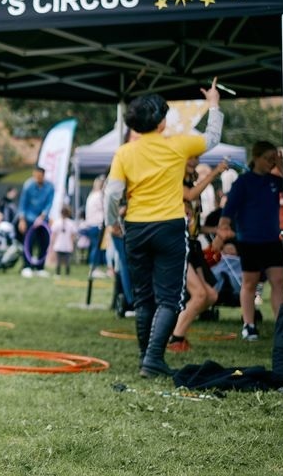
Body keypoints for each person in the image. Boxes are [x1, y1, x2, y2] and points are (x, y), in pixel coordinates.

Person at [104, 79, 223, 378]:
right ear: (159, 122)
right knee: (170, 297)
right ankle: (154, 360)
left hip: (136, 228)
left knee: (143, 296)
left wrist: (112, 224)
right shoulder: (179, 144)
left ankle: (147, 357)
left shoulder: (124, 153)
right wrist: (214, 103)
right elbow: (213, 137)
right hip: (169, 227)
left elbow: (111, 193)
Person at [214, 141, 283, 342]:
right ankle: (249, 324)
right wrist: (223, 231)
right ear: (256, 158)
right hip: (250, 241)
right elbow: (228, 212)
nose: (271, 162)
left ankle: (282, 325)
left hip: (272, 240)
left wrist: (281, 165)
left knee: (279, 282)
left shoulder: (275, 180)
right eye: (268, 159)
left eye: (274, 159)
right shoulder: (243, 182)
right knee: (250, 283)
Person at [167, 157, 228, 352]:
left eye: (196, 158)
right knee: (200, 295)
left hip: (192, 246)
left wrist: (216, 230)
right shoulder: (176, 182)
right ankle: (175, 338)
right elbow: (191, 195)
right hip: (178, 245)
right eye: (190, 157)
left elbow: (195, 226)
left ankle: (175, 332)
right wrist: (215, 172)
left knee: (211, 295)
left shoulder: (190, 183)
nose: (194, 161)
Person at [17, 166, 54, 276]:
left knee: (44, 243)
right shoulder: (28, 186)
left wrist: (42, 217)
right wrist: (22, 220)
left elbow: (49, 204)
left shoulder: (50, 187)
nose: (37, 178)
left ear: (43, 175)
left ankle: (40, 268)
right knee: (28, 243)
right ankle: (27, 266)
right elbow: (22, 204)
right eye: (35, 175)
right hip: (29, 219)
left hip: (43, 220)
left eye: (39, 176)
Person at [81, 176, 106, 277]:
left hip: (91, 224)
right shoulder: (100, 196)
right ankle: (94, 268)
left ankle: (94, 267)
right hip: (97, 225)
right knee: (96, 247)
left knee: (94, 247)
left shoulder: (91, 195)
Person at [51, 206, 78, 275]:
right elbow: (73, 236)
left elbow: (53, 235)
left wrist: (52, 244)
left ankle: (58, 273)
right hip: (67, 245)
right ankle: (67, 273)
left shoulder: (57, 223)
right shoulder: (71, 223)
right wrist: (72, 245)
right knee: (67, 261)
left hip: (59, 245)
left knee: (59, 261)